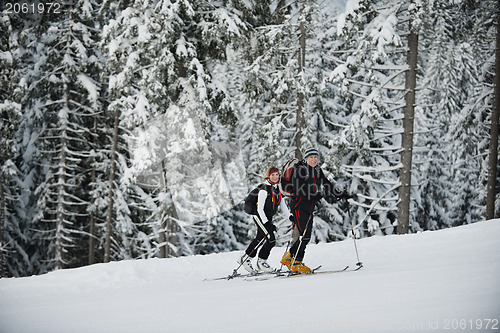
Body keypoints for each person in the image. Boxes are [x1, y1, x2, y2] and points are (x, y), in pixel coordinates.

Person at [280, 147, 353, 273]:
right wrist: (313, 195)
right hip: (298, 205)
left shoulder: (317, 170)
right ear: (306, 158)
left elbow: (326, 183)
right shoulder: (300, 170)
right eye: (311, 157)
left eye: (316, 157)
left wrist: (339, 194)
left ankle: (290, 256)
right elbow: (298, 189)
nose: (314, 160)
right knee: (305, 235)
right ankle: (296, 262)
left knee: (305, 235)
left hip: (309, 206)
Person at [239, 167, 291, 273]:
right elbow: (260, 209)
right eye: (273, 175)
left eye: (277, 175)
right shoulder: (264, 189)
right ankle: (253, 260)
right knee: (270, 239)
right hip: (260, 216)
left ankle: (255, 260)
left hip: (267, 217)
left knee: (262, 237)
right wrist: (267, 223)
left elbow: (282, 204)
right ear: (268, 176)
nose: (275, 177)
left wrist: (290, 216)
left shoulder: (278, 189)